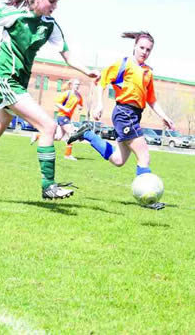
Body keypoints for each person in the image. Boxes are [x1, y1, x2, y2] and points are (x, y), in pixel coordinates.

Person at [0, 0, 99, 200]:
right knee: (48, 126)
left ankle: (67, 136)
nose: (55, 6)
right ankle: (48, 186)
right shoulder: (15, 14)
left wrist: (87, 71)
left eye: (58, 2)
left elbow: (68, 56)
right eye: (52, 1)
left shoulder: (49, 24)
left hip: (17, 85)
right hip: (4, 79)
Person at [68, 31, 174, 209]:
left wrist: (164, 116)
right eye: (141, 47)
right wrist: (99, 104)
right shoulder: (123, 64)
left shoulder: (148, 72)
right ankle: (147, 199)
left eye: (148, 49)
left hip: (134, 115)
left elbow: (151, 99)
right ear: (135, 46)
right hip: (124, 113)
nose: (144, 51)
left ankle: (87, 134)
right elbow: (100, 82)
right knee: (144, 156)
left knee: (118, 160)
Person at [30, 78, 83, 161]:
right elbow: (57, 103)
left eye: (79, 84)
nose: (77, 86)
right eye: (76, 84)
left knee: (58, 137)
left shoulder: (79, 96)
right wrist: (65, 109)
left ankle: (37, 136)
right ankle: (67, 155)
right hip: (62, 116)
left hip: (68, 117)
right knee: (72, 134)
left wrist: (80, 107)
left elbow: (80, 104)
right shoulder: (67, 93)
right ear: (71, 85)